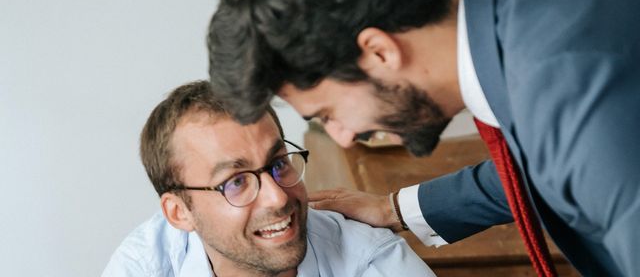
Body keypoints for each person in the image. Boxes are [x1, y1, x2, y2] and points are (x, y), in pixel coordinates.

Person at [206, 0, 640, 276]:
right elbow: (542, 167)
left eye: (327, 114)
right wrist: (394, 209)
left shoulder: (573, 96)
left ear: (379, 52)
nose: (341, 135)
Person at [102, 80, 433, 277]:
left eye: (278, 163)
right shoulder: (145, 266)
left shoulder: (370, 261)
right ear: (179, 213)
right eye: (236, 181)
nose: (277, 196)